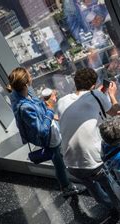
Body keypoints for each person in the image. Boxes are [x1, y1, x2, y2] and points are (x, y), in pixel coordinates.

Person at [56, 68, 120, 215]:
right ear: (94, 85)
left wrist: (98, 94)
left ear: (76, 83)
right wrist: (111, 95)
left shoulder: (62, 101)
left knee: (91, 185)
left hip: (70, 162)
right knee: (109, 185)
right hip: (93, 162)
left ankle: (105, 204)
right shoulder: (96, 95)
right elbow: (117, 112)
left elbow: (79, 111)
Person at [7, 67, 83, 196]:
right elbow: (41, 131)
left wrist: (47, 108)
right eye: (29, 76)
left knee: (60, 160)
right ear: (25, 83)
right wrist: (49, 109)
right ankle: (66, 187)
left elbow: (37, 111)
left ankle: (68, 184)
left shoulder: (22, 93)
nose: (31, 77)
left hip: (52, 133)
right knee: (59, 164)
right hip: (49, 139)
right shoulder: (24, 107)